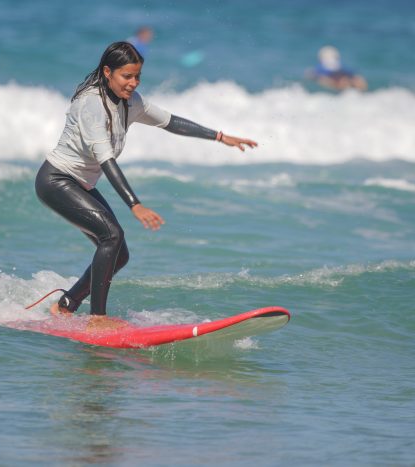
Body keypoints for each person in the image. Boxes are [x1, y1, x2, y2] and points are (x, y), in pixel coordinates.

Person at [35, 42, 257, 316]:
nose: (133, 83)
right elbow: (106, 160)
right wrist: (134, 204)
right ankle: (98, 318)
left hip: (81, 183)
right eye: (126, 76)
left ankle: (65, 305)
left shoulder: (131, 102)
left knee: (119, 253)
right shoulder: (91, 105)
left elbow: (170, 121)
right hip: (56, 180)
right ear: (108, 72)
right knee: (111, 236)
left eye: (137, 76)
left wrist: (220, 137)